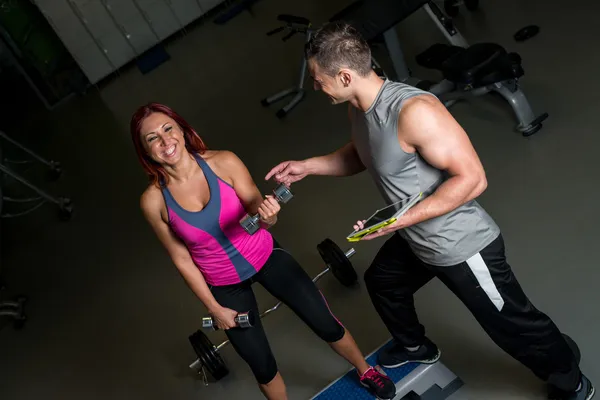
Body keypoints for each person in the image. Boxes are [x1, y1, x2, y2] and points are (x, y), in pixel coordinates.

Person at [265, 22, 595, 400]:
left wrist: (399, 221)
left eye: (317, 79)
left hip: (459, 245)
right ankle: (414, 346)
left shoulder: (415, 111)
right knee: (384, 282)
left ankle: (572, 380)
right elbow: (365, 152)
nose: (315, 87)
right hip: (416, 235)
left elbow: (472, 179)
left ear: (343, 76)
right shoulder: (359, 106)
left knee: (513, 324)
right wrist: (310, 166)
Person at [130, 102, 396, 400]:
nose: (166, 141)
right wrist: (214, 309)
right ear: (144, 150)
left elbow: (259, 210)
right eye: (152, 138)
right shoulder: (153, 202)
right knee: (261, 364)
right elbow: (181, 259)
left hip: (267, 257)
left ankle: (366, 370)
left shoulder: (224, 162)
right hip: (224, 286)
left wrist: (268, 216)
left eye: (168, 129)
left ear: (181, 128)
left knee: (324, 321)